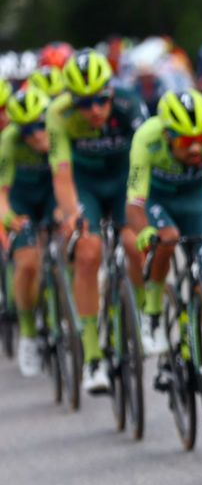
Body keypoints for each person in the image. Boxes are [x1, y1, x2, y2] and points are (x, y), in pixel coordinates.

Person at [126, 89, 202, 423]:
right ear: (166, 135)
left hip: (198, 205)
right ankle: (151, 310)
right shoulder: (146, 139)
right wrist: (144, 230)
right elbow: (134, 203)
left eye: (200, 138)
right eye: (184, 141)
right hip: (158, 203)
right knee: (167, 238)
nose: (195, 147)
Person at [48, 49, 149, 394]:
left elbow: (147, 156)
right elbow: (61, 175)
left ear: (111, 91)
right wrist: (72, 213)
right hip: (86, 186)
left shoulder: (129, 103)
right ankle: (92, 355)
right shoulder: (58, 115)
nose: (94, 110)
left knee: (136, 246)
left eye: (101, 100)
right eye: (84, 103)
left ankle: (138, 319)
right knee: (88, 253)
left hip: (124, 180)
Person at [0, 86, 53, 376]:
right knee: (28, 263)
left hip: (52, 194)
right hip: (22, 201)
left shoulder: (60, 129)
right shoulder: (9, 141)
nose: (35, 134)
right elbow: (2, 190)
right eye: (27, 129)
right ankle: (29, 332)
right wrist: (7, 216)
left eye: (41, 125)